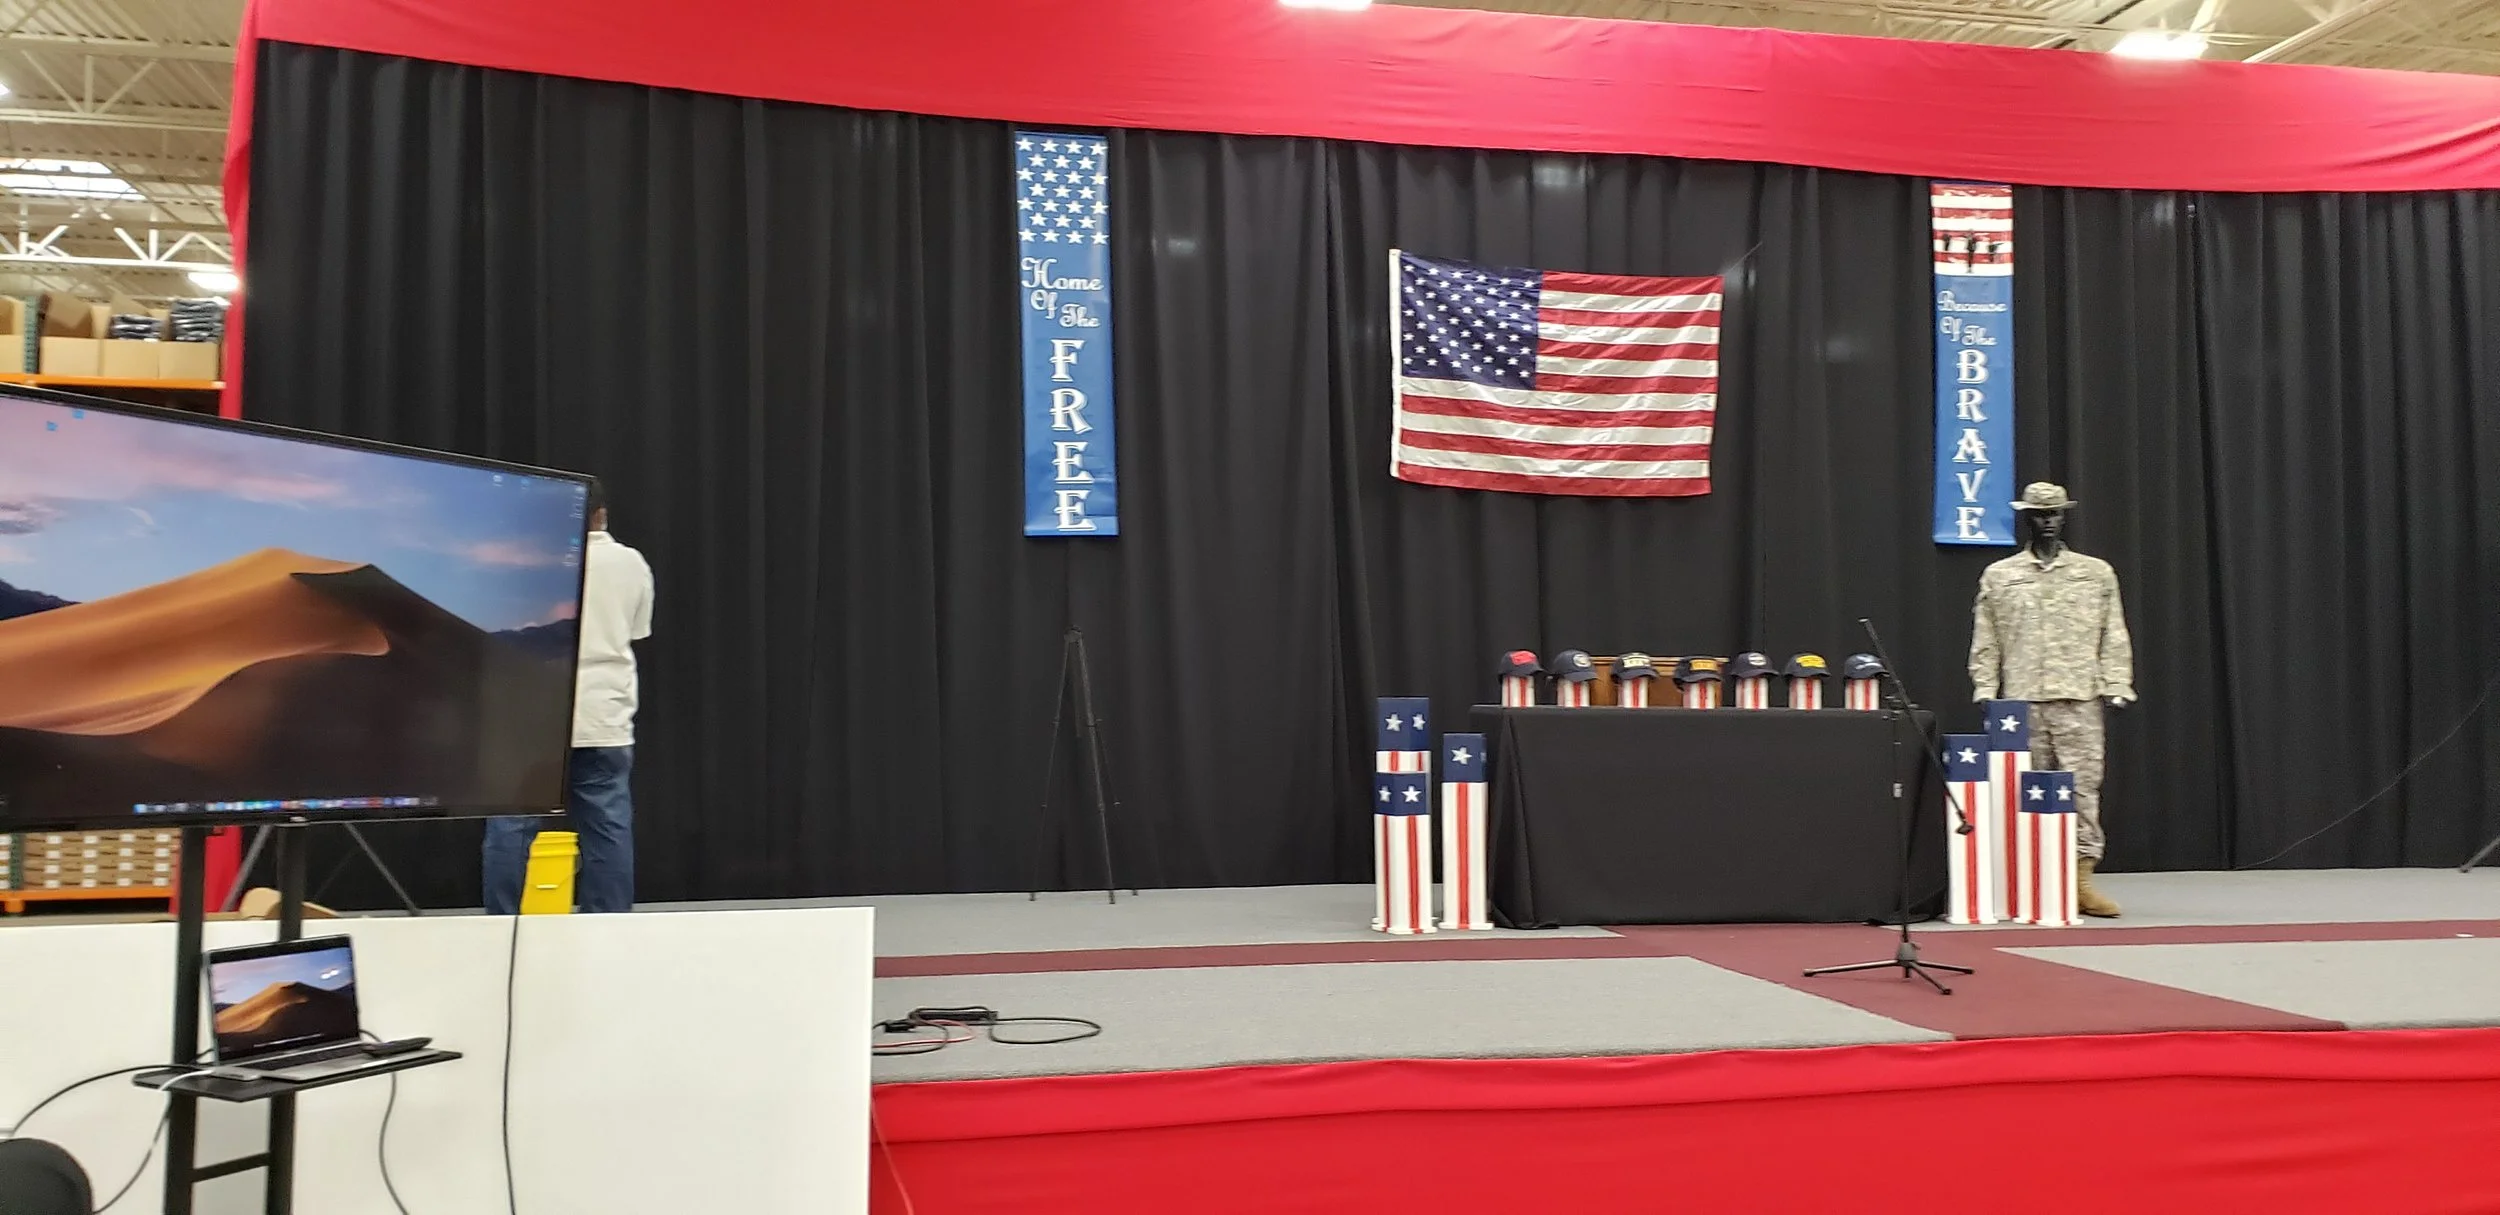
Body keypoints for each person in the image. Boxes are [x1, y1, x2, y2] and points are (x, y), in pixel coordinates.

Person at [483, 479, 655, 914]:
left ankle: (499, 929)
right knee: (607, 827)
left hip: (532, 715)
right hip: (603, 714)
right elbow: (636, 632)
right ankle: (610, 926)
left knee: (511, 825)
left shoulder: (534, 562)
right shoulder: (631, 562)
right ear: (602, 514)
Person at [1968, 481, 2134, 917]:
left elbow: (2112, 632)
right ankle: (2032, 880)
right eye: (2039, 515)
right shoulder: (2001, 575)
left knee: (2081, 790)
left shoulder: (2094, 572)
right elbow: (1987, 639)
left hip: (2078, 697)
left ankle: (2081, 880)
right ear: (2026, 518)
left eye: (2054, 514)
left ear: (2064, 517)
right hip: (2020, 702)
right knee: (2025, 790)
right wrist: (1985, 687)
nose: (2047, 522)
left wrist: (2117, 684)